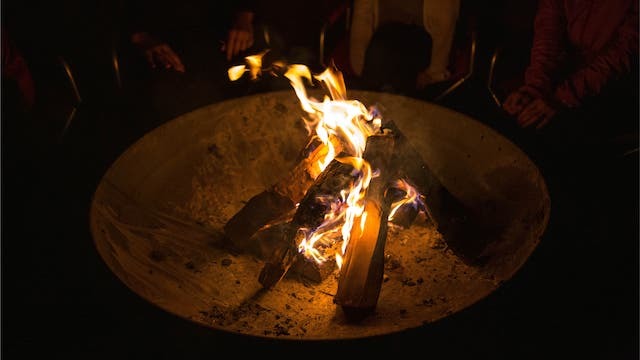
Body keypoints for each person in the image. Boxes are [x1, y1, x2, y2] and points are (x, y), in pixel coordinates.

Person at [502, 0, 638, 136]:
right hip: (565, 74)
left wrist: (564, 97)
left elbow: (624, 53)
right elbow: (548, 30)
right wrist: (535, 87)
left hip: (613, 89)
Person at [348, 0, 461, 93]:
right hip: (383, 38)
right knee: (381, 49)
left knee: (384, 53)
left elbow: (446, 21)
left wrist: (433, 73)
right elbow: (362, 16)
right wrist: (360, 63)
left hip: (420, 39)